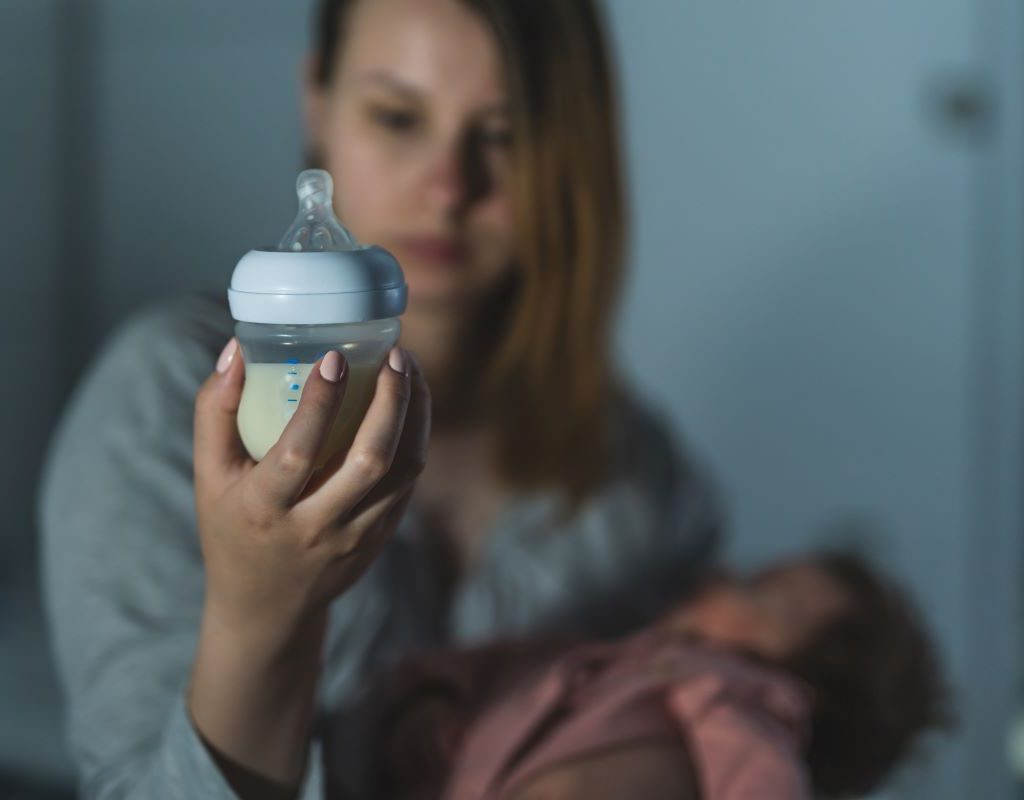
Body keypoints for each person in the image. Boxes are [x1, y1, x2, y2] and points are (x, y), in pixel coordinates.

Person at [38, 0, 721, 798]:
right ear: (316, 103)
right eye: (398, 116)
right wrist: (261, 617)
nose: (449, 187)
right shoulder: (170, 399)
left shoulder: (634, 482)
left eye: (502, 134)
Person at [366, 550, 952, 800]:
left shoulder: (736, 696)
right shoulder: (602, 659)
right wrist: (433, 701)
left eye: (754, 588)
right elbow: (499, 663)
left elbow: (762, 782)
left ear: (801, 686)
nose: (721, 574)